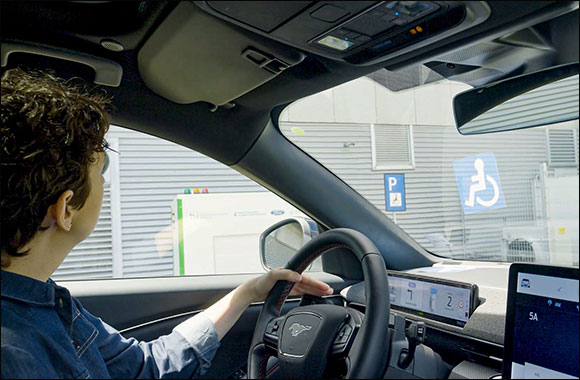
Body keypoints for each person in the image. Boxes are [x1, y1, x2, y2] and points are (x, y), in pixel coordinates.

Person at [0, 68, 333, 378]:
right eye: (101, 173)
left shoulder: (48, 303)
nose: (105, 185)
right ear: (66, 208)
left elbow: (145, 366)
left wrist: (247, 293)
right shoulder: (14, 354)